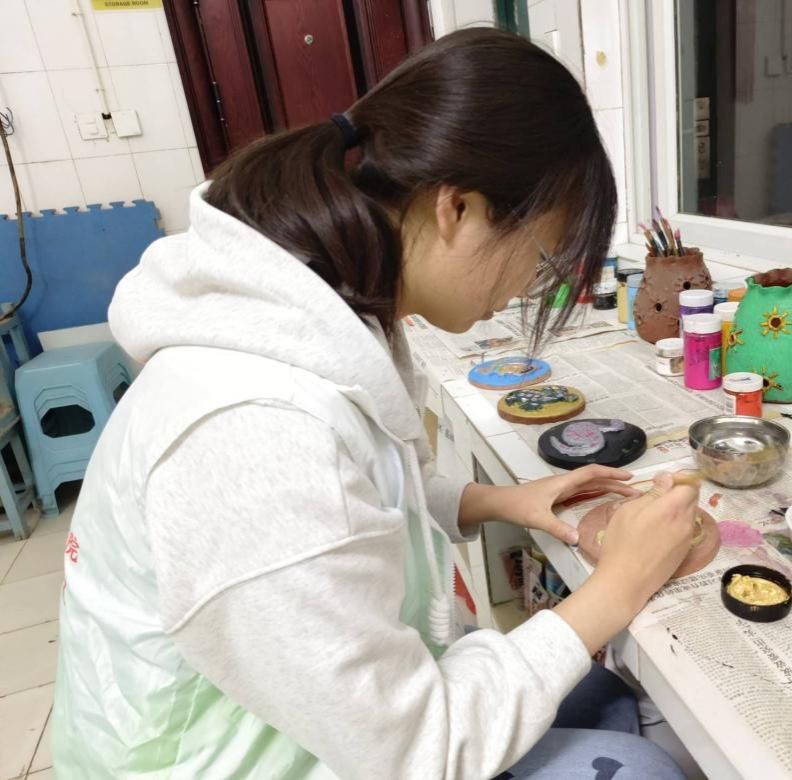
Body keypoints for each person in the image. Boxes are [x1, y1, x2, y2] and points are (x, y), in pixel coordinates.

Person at [51, 28, 701, 779]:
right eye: (542, 251)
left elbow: (355, 499)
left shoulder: (321, 319)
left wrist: (500, 502)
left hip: (318, 722)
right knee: (639, 763)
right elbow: (414, 749)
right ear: (458, 208)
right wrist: (620, 584)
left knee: (598, 697)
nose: (533, 283)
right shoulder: (254, 429)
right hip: (238, 764)